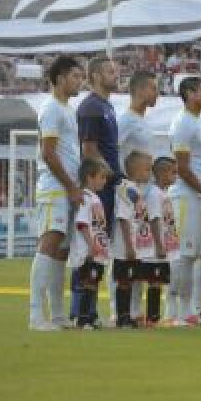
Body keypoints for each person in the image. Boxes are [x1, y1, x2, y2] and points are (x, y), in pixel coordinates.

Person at [29, 55, 84, 331]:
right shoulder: (50, 108)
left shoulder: (68, 110)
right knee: (49, 244)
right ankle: (36, 315)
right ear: (60, 78)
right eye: (75, 76)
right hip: (54, 188)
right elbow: (48, 153)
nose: (79, 81)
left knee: (62, 251)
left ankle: (59, 315)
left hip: (68, 188)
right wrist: (71, 186)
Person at [168, 76, 201, 327]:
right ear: (189, 93)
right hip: (186, 195)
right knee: (183, 254)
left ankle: (188, 310)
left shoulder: (199, 123)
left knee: (194, 254)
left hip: (200, 195)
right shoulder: (182, 123)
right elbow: (183, 168)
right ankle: (173, 309)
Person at [76, 56, 119, 322]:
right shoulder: (91, 107)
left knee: (100, 248)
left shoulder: (106, 106)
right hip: (98, 187)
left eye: (116, 70)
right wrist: (108, 173)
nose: (115, 75)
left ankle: (89, 310)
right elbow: (89, 150)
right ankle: (81, 311)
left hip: (108, 185)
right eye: (109, 71)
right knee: (89, 249)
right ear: (93, 76)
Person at [68, 157, 112, 329]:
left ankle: (91, 315)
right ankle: (80, 317)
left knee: (93, 283)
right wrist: (91, 245)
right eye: (101, 177)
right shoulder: (85, 198)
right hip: (88, 251)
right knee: (84, 283)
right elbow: (82, 224)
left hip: (97, 251)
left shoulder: (95, 198)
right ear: (89, 177)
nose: (104, 180)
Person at [110, 150, 152, 328]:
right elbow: (124, 218)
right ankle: (123, 317)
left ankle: (132, 314)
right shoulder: (127, 189)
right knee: (124, 281)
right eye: (147, 170)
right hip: (125, 246)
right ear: (134, 171)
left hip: (137, 245)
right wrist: (128, 245)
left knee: (134, 279)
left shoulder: (136, 189)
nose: (150, 173)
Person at [141, 156, 178, 326]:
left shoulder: (163, 193)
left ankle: (152, 317)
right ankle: (151, 318)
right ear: (162, 173)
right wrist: (159, 244)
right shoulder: (155, 194)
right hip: (156, 248)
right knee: (154, 281)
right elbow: (154, 219)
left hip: (163, 246)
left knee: (158, 281)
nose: (176, 176)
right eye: (173, 172)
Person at [116, 71, 158, 162]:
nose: (157, 93)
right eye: (153, 89)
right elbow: (110, 152)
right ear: (140, 90)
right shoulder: (126, 120)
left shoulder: (144, 119)